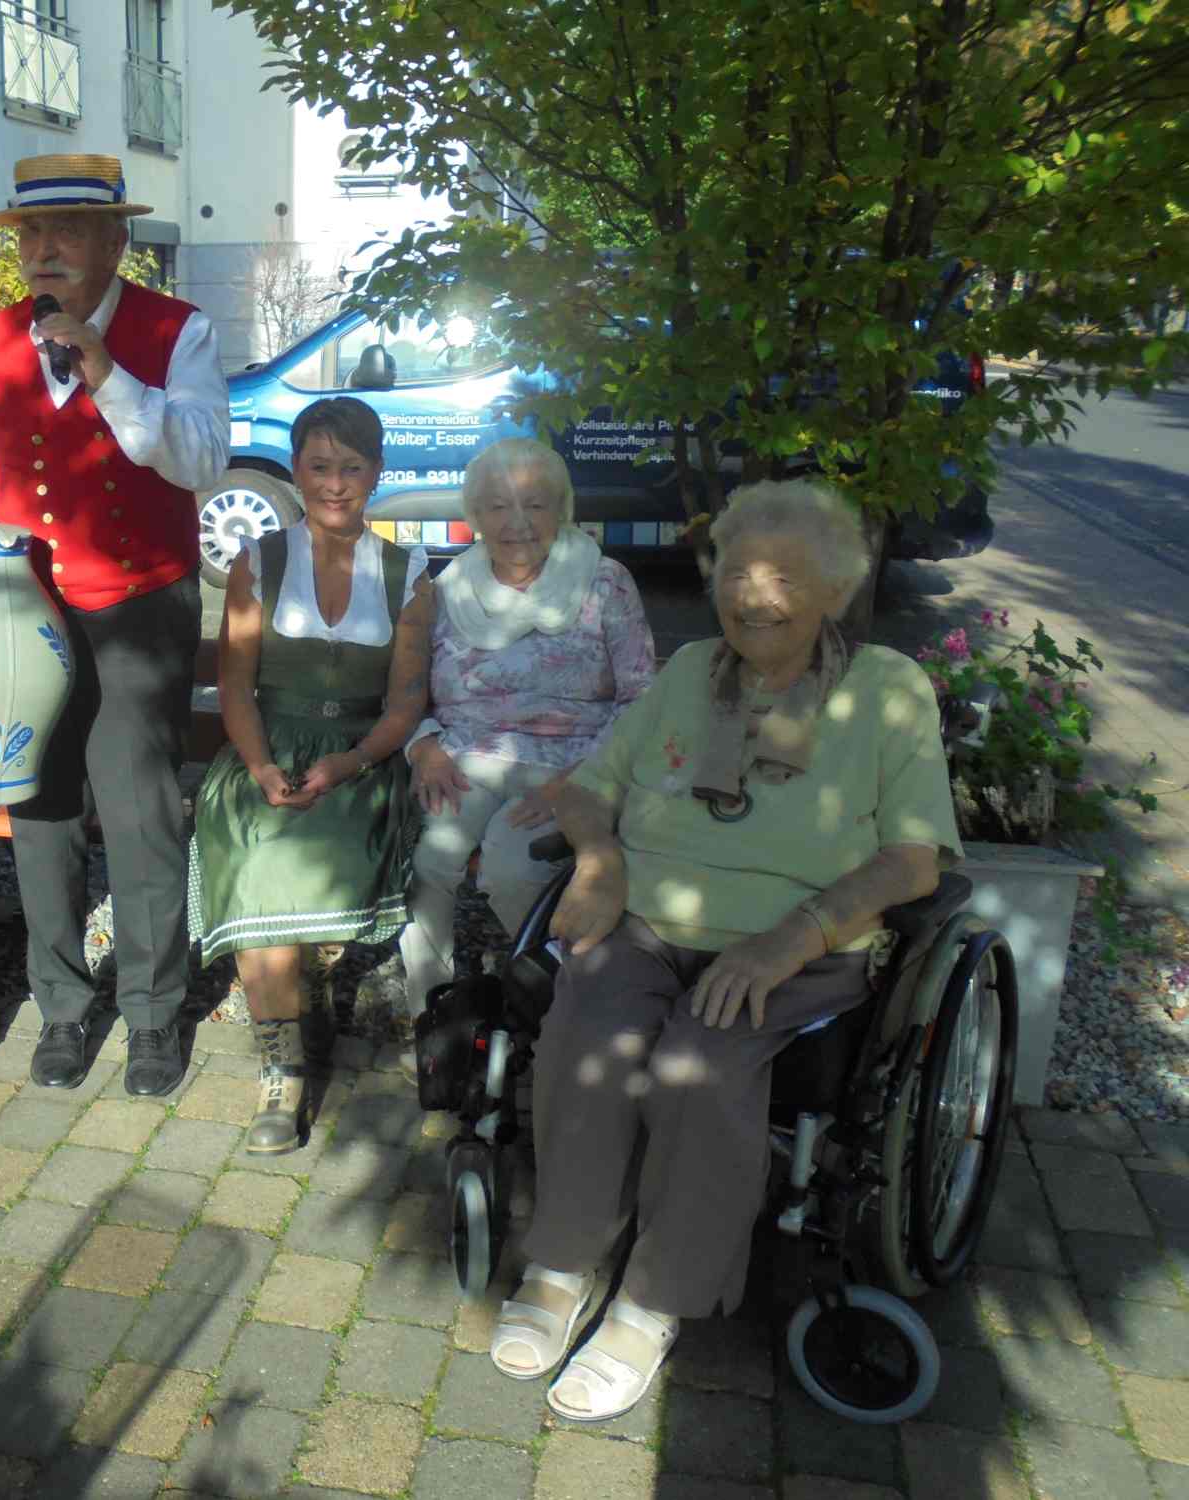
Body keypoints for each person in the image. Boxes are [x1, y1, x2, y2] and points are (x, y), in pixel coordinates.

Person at [492, 479, 961, 1423]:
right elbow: (592, 786)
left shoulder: (887, 690)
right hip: (653, 921)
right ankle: (561, 1261)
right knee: (584, 1028)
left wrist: (793, 938)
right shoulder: (690, 670)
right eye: (739, 570)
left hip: (800, 944)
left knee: (698, 1062)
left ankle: (655, 1299)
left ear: (831, 590)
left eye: (783, 575)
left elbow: (916, 859)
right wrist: (597, 860)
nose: (754, 592)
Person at [0, 153, 228, 1098]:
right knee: (41, 810)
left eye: (67, 233)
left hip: (137, 606)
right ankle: (61, 1008)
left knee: (137, 816)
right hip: (25, 613)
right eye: (31, 234)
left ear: (115, 242)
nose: (43, 250)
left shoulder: (179, 331)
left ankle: (153, 1015)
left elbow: (201, 459)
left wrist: (109, 377)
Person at [189, 398, 434, 1153]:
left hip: (362, 758)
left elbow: (406, 702)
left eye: (351, 467)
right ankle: (282, 1069)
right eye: (320, 466)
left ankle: (289, 1043)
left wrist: (350, 761)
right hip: (268, 747)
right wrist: (262, 765)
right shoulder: (259, 559)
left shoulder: (410, 570)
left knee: (292, 854)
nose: (335, 484)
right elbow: (235, 685)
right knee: (259, 845)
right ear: (295, 470)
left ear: (377, 473)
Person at [398, 438, 655, 1015]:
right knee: (429, 858)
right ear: (475, 515)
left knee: (513, 866)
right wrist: (426, 749)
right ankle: (431, 1012)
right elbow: (411, 691)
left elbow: (642, 700)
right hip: (464, 759)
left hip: (572, 767)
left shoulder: (605, 582)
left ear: (561, 509)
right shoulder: (449, 589)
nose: (516, 523)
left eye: (535, 505)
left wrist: (581, 780)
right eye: (497, 506)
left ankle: (555, 1001)